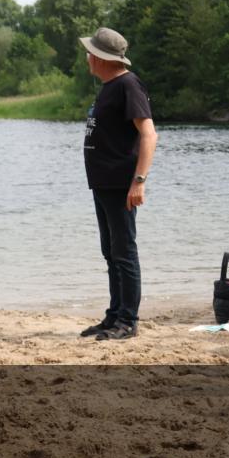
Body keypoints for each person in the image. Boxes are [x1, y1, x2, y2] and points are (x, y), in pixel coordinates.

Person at [78, 28, 158, 341]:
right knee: (110, 252)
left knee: (124, 252)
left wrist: (139, 181)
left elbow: (149, 134)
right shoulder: (110, 86)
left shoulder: (128, 84)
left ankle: (128, 320)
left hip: (121, 183)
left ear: (100, 58)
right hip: (103, 183)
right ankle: (114, 316)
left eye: (90, 52)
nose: (87, 57)